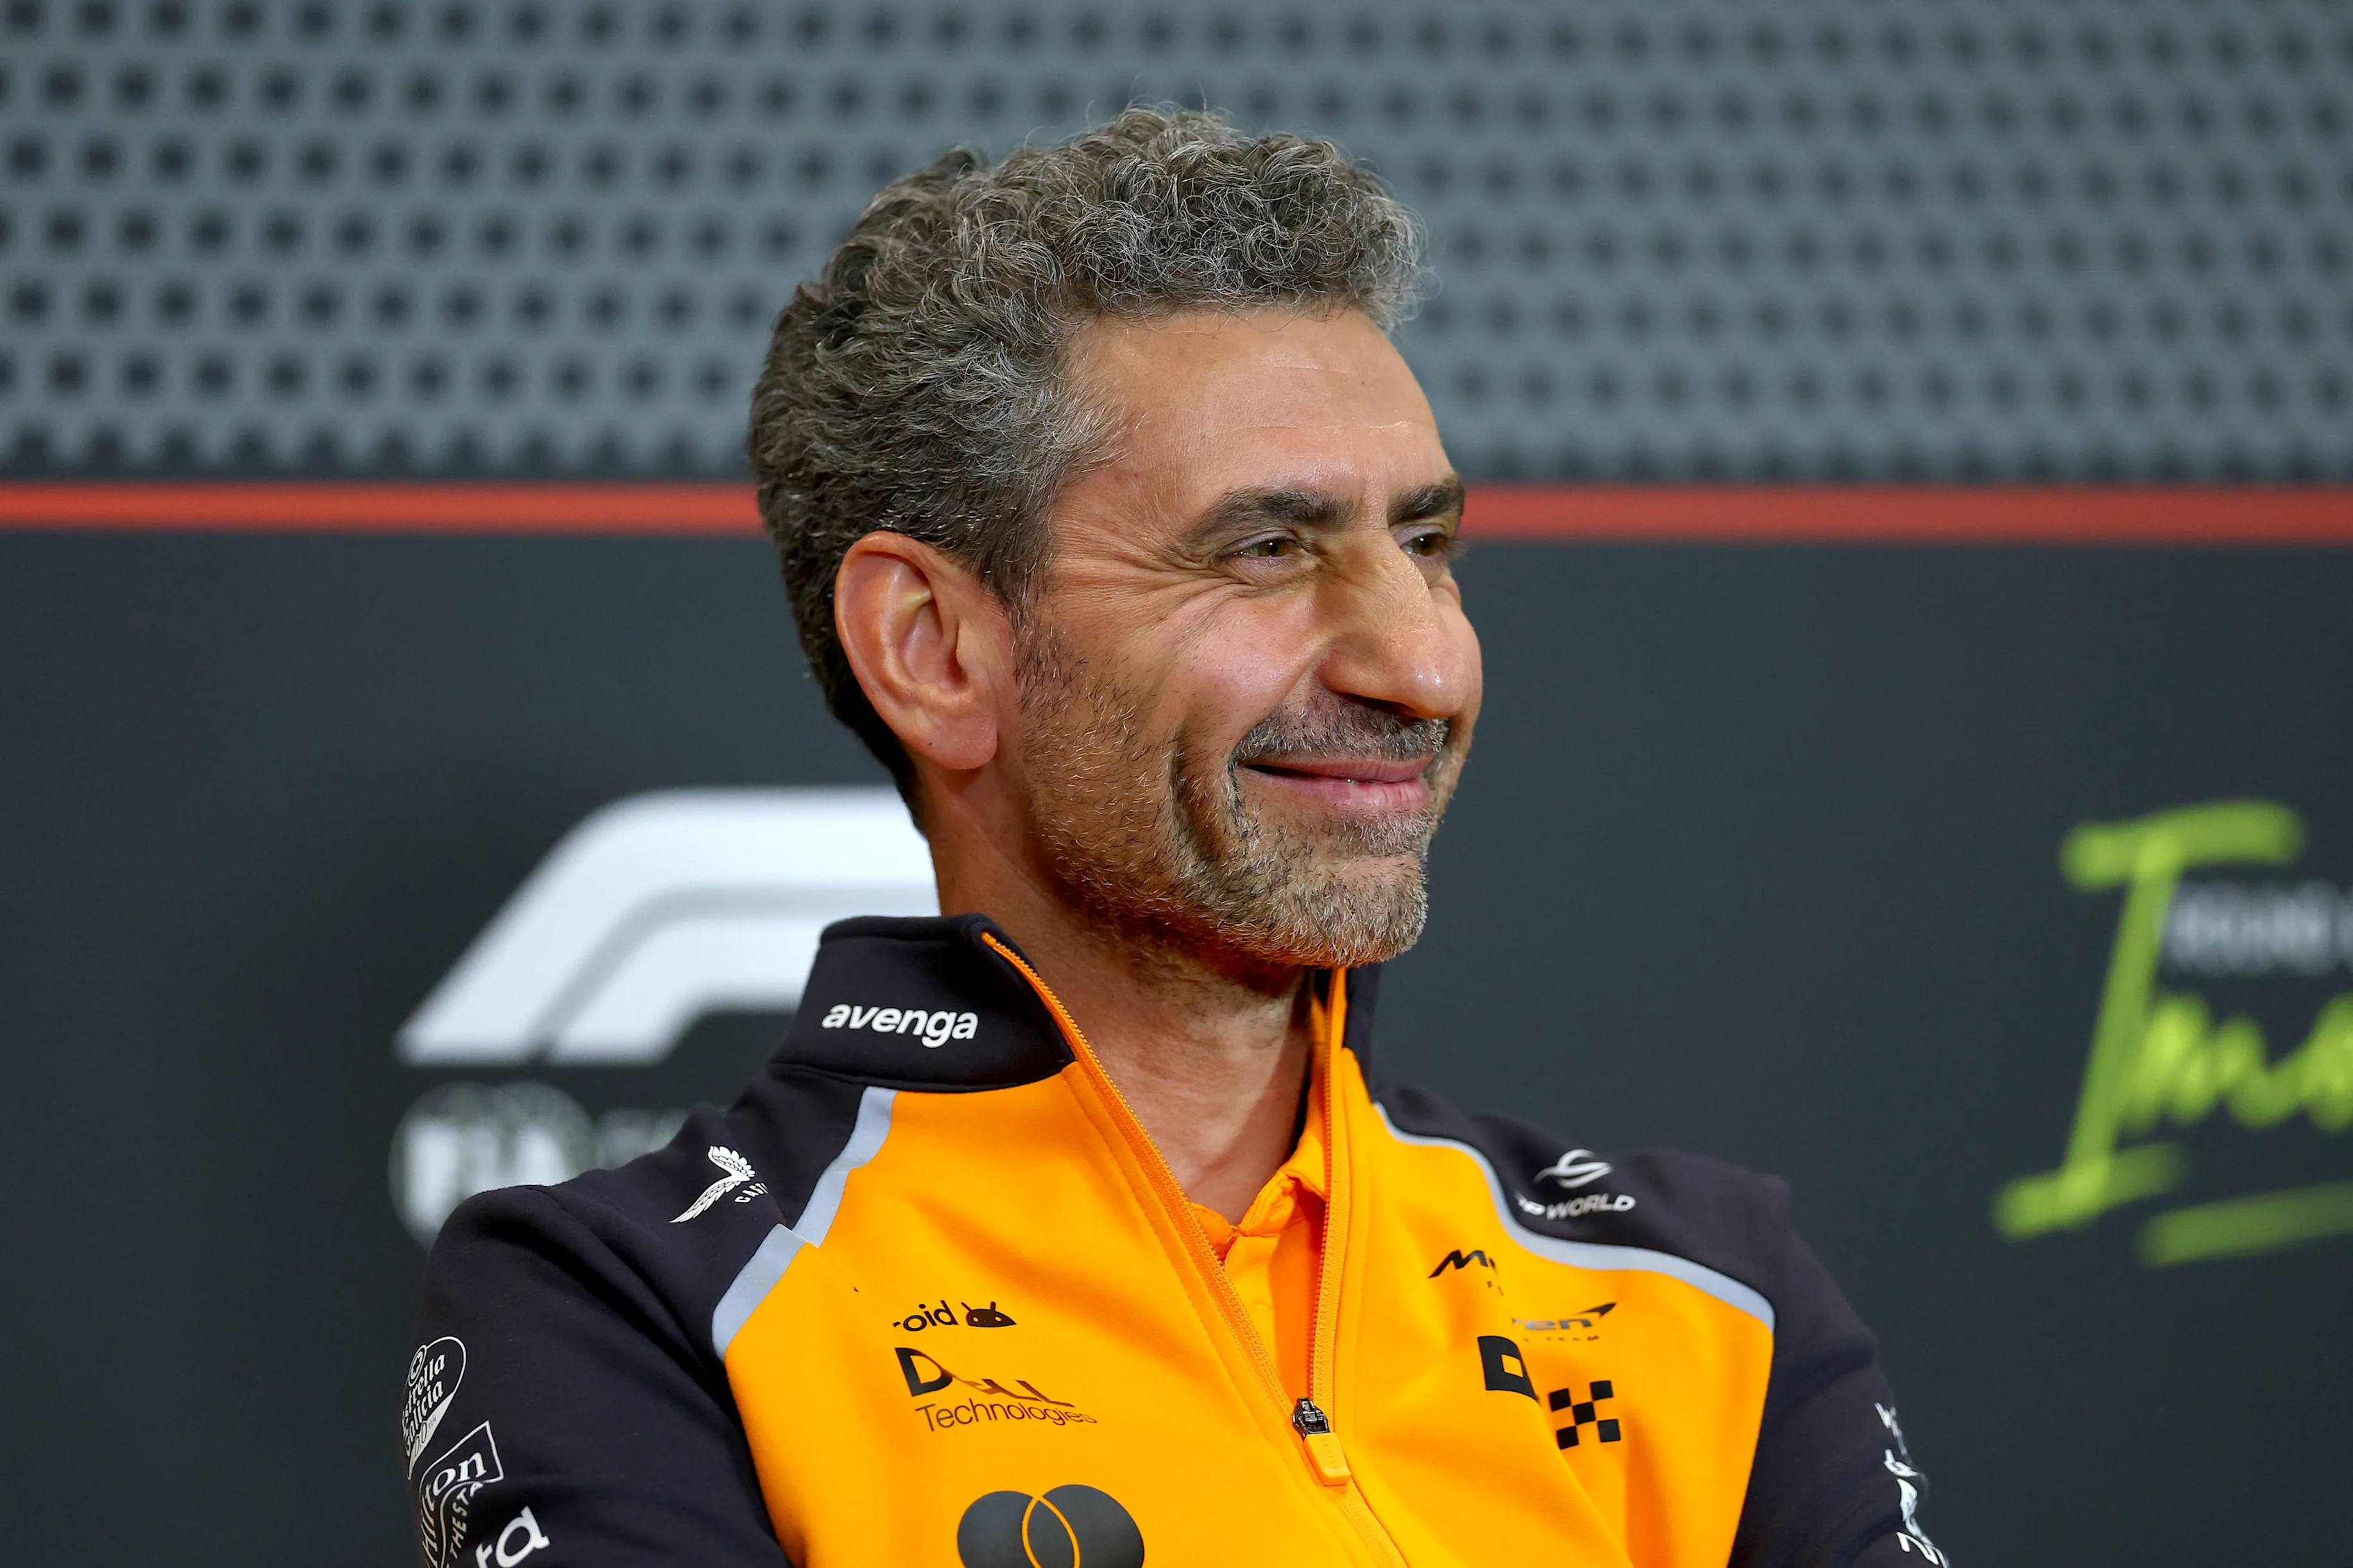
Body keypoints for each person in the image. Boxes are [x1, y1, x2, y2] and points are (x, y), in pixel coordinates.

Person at [404, 110, 1942, 1568]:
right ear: (935, 647)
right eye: (1266, 549)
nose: (1419, 664)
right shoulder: (635, 1297)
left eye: (1426, 545)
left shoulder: (1700, 1283)